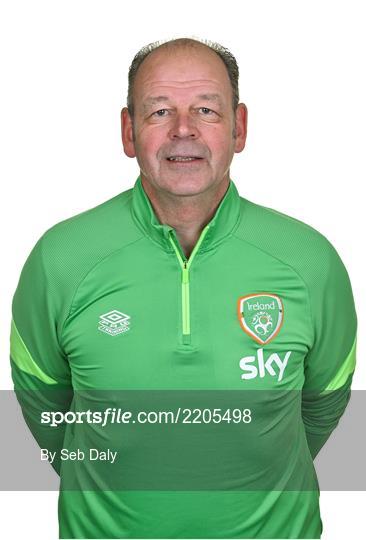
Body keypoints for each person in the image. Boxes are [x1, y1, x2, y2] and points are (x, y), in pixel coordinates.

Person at [10, 36, 357, 539]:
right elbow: (41, 400)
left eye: (206, 110)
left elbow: (323, 403)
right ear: (128, 132)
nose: (184, 130)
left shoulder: (309, 260)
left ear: (239, 127)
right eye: (158, 112)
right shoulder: (62, 258)